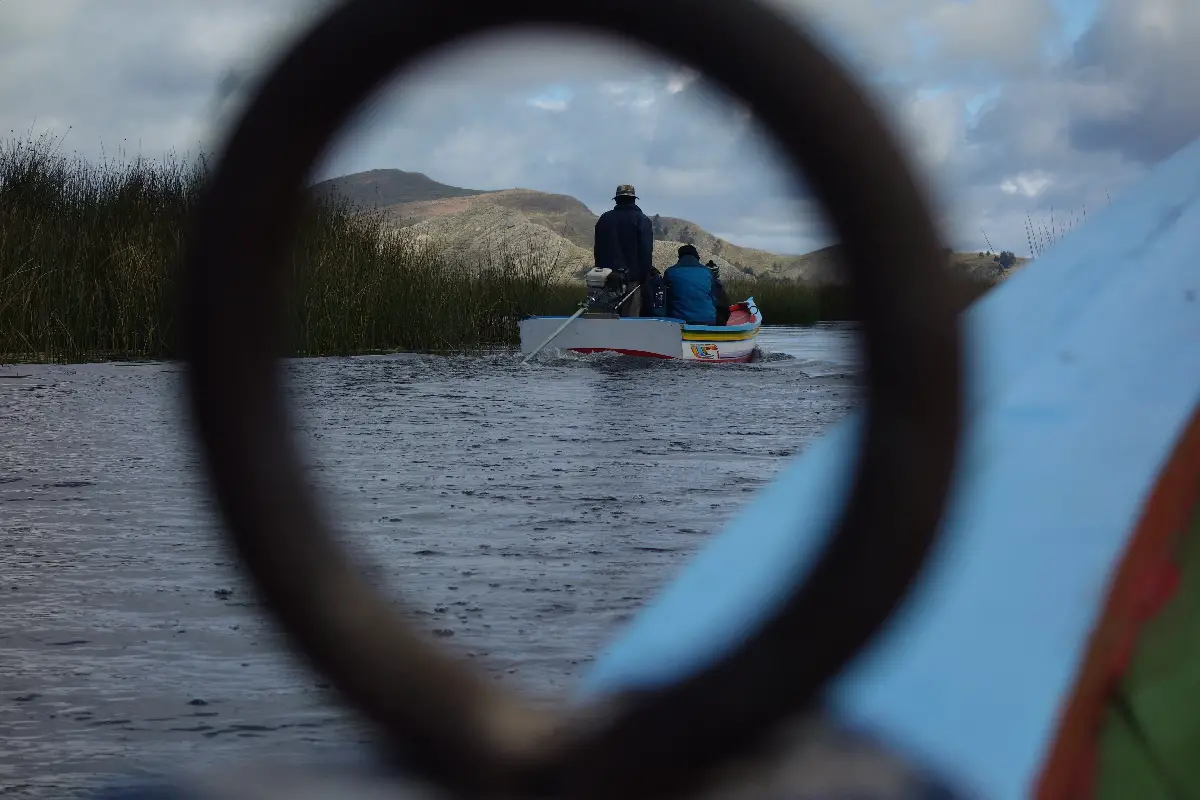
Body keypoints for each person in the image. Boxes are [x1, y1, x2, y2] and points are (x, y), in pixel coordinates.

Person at [592, 184, 654, 316]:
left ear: (616, 200)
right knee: (629, 323)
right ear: (634, 199)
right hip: (632, 280)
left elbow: (597, 249)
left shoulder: (604, 219)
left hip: (606, 279)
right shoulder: (642, 220)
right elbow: (646, 251)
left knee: (605, 319)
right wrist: (645, 276)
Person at [664, 244, 721, 325]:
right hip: (707, 320)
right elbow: (714, 298)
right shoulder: (708, 272)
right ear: (697, 257)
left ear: (679, 257)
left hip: (678, 321)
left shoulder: (670, 272)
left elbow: (665, 298)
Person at [705, 259, 732, 326]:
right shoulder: (719, 288)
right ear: (717, 274)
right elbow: (725, 310)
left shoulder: (700, 286)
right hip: (716, 322)